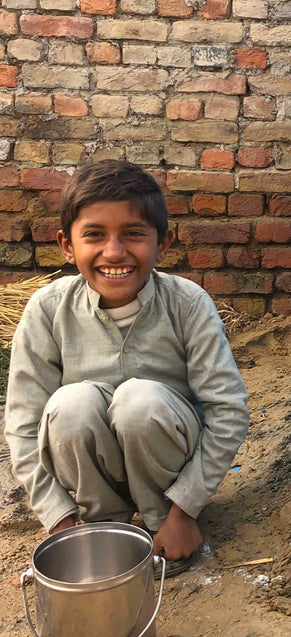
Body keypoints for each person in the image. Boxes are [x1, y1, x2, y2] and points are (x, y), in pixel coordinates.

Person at [5, 160, 249, 576]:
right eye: (94, 235)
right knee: (71, 404)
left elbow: (228, 410)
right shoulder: (46, 311)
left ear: (162, 244)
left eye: (133, 234)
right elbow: (24, 427)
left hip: (169, 468)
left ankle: (162, 528)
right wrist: (61, 522)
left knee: (139, 400)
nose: (114, 252)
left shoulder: (187, 304)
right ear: (67, 245)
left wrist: (185, 509)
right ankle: (102, 531)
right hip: (90, 478)